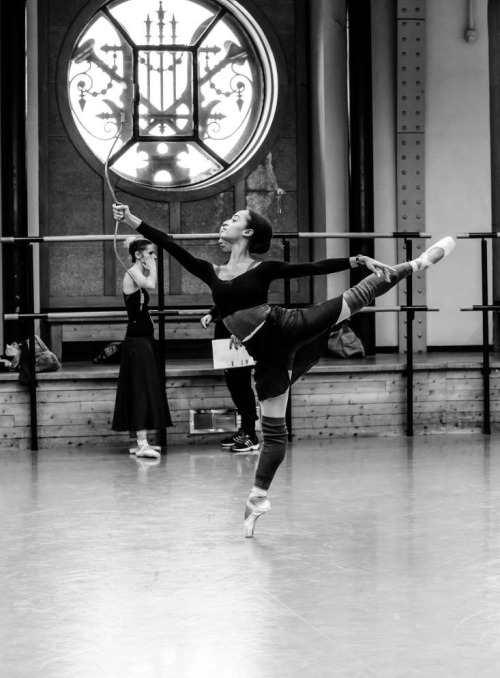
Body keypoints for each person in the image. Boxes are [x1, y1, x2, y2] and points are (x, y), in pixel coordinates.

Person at [112, 203, 455, 535]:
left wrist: (356, 259)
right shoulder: (210, 271)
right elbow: (170, 244)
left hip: (290, 327)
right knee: (274, 434)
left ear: (246, 231)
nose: (224, 222)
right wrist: (132, 221)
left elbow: (311, 267)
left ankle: (417, 263)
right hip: (270, 359)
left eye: (232, 218)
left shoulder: (264, 268)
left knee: (356, 297)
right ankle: (258, 497)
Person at [112, 237, 172, 459]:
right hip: (137, 341)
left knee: (145, 386)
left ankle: (141, 442)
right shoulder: (132, 273)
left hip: (144, 337)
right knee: (140, 388)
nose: (154, 257)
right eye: (151, 253)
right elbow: (151, 285)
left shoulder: (138, 274)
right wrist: (153, 267)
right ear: (138, 255)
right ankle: (142, 442)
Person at [200, 236, 259, 453]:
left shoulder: (251, 269)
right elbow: (225, 302)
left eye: (223, 239)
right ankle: (245, 430)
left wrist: (241, 329)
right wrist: (211, 314)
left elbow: (252, 302)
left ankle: (251, 434)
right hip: (224, 330)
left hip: (239, 332)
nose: (219, 241)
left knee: (242, 383)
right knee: (234, 383)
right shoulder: (225, 268)